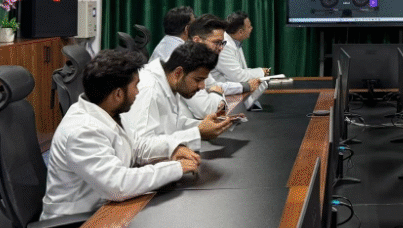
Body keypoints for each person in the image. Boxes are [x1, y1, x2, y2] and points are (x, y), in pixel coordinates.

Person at [41, 49, 200, 220]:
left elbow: (135, 147)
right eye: (136, 86)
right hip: (78, 221)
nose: (138, 92)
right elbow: (118, 185)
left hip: (104, 208)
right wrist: (175, 168)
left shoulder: (108, 110)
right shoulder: (81, 131)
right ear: (118, 94)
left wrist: (172, 149)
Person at [121, 42, 233, 151]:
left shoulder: (170, 81)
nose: (202, 86)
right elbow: (140, 146)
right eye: (198, 80)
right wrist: (197, 133)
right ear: (178, 73)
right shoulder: (149, 89)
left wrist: (205, 126)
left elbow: (173, 124)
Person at [211, 11, 271, 85]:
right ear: (240, 32)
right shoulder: (224, 46)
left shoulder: (236, 42)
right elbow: (238, 76)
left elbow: (241, 71)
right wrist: (261, 72)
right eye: (249, 27)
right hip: (221, 90)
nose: (251, 28)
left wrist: (261, 71)